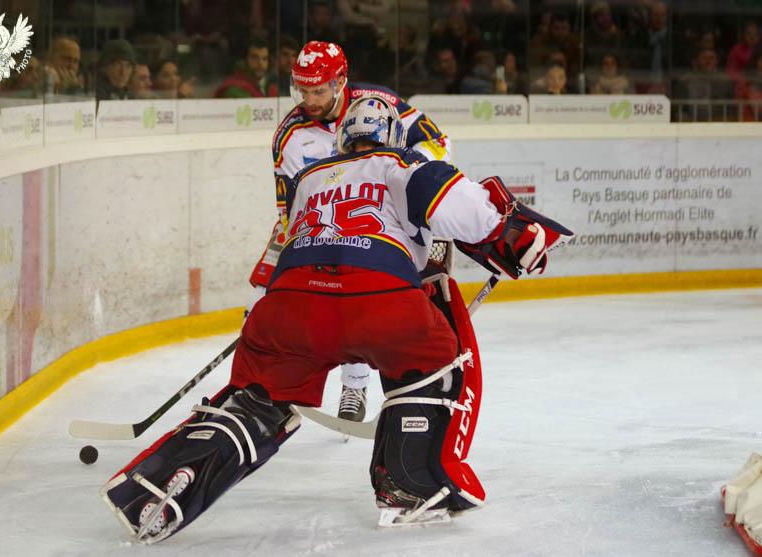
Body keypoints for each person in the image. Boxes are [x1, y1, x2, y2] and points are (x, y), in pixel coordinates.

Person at [102, 95, 572, 543]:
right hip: (377, 304)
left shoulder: (308, 177)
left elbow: (293, 241)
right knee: (436, 360)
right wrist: (513, 235)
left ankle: (167, 482)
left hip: (289, 308)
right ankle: (409, 485)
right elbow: (467, 210)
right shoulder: (404, 163)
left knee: (260, 396)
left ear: (343, 136)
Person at [249, 41, 453, 424]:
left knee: (358, 289)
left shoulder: (379, 104)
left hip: (379, 219)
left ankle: (355, 385)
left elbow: (439, 143)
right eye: (303, 90)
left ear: (340, 81)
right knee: (265, 296)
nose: (309, 100)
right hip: (324, 222)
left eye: (318, 90)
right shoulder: (289, 136)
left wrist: (406, 168)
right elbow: (291, 212)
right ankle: (272, 386)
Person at [213, 38, 278, 98]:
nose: (261, 63)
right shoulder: (234, 89)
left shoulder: (272, 88)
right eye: (254, 58)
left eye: (264, 58)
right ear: (244, 61)